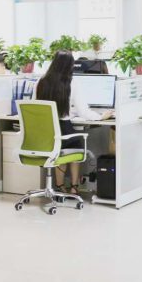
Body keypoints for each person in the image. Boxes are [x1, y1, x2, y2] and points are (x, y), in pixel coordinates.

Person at [35, 50, 111, 194]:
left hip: (44, 133)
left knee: (58, 150)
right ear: (70, 65)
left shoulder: (41, 81)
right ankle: (75, 187)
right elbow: (84, 112)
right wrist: (101, 117)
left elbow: (38, 107)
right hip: (62, 129)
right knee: (75, 145)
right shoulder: (71, 82)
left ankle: (60, 185)